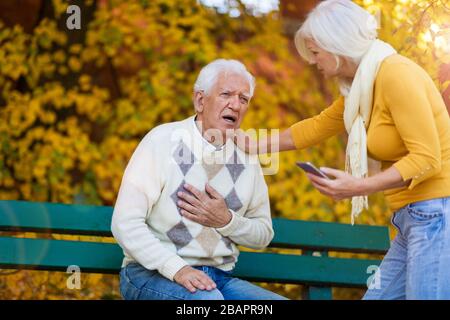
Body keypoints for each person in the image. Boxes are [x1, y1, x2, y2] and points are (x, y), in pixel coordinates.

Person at [235, 0, 450, 300]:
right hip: (411, 219)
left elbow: (428, 159)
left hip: (437, 215)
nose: (312, 61)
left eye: (315, 52)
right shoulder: (362, 90)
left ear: (337, 46)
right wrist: (252, 145)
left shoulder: (396, 75)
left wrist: (359, 186)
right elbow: (315, 127)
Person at [111, 59, 287, 300]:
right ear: (200, 100)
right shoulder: (162, 141)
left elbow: (263, 234)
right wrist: (178, 269)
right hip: (150, 273)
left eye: (243, 99)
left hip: (219, 278)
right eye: (226, 94)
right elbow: (125, 223)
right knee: (208, 303)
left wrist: (227, 221)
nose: (235, 105)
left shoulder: (248, 158)